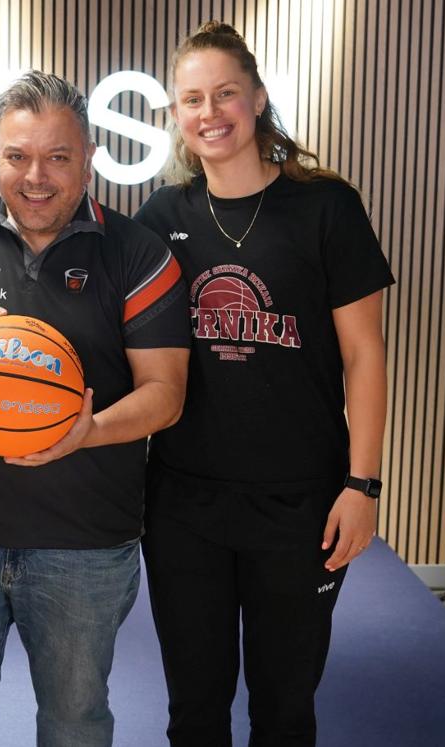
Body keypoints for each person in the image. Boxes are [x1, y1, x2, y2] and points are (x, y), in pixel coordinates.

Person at [0, 71, 190, 747]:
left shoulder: (135, 253)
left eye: (58, 157)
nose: (35, 177)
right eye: (17, 156)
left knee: (74, 727)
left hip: (84, 545)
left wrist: (87, 432)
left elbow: (166, 394)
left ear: (88, 158)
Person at [132, 22, 394, 746]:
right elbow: (75, 254)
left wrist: (363, 485)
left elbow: (364, 356)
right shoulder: (162, 218)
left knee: (284, 710)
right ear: (177, 115)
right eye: (192, 98)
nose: (209, 112)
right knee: (194, 711)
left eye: (225, 94)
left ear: (258, 99)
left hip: (300, 503)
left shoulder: (326, 208)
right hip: (184, 504)